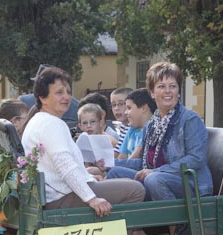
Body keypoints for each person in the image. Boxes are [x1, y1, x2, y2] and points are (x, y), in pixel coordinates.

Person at [21, 66, 144, 217]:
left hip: (55, 195)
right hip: (63, 197)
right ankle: (117, 232)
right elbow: (64, 165)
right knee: (136, 189)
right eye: (59, 93)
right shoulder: (51, 124)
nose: (66, 97)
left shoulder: (38, 121)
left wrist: (87, 177)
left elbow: (53, 166)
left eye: (68, 92)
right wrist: (92, 199)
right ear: (43, 97)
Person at [106, 61, 212, 201]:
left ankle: (169, 216)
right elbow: (144, 164)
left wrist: (156, 171)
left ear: (178, 91)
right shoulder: (151, 125)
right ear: (152, 93)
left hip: (190, 184)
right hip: (156, 179)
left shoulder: (189, 119)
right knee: (115, 172)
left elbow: (196, 158)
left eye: (173, 86)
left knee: (153, 179)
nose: (168, 91)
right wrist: (109, 163)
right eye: (161, 86)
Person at [116, 88, 156, 159]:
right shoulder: (131, 129)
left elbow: (133, 159)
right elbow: (122, 157)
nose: (125, 112)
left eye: (129, 108)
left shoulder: (151, 130)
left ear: (143, 108)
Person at [110, 87, 133, 156]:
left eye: (120, 104)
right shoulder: (123, 125)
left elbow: (118, 154)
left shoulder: (131, 126)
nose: (116, 108)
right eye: (113, 105)